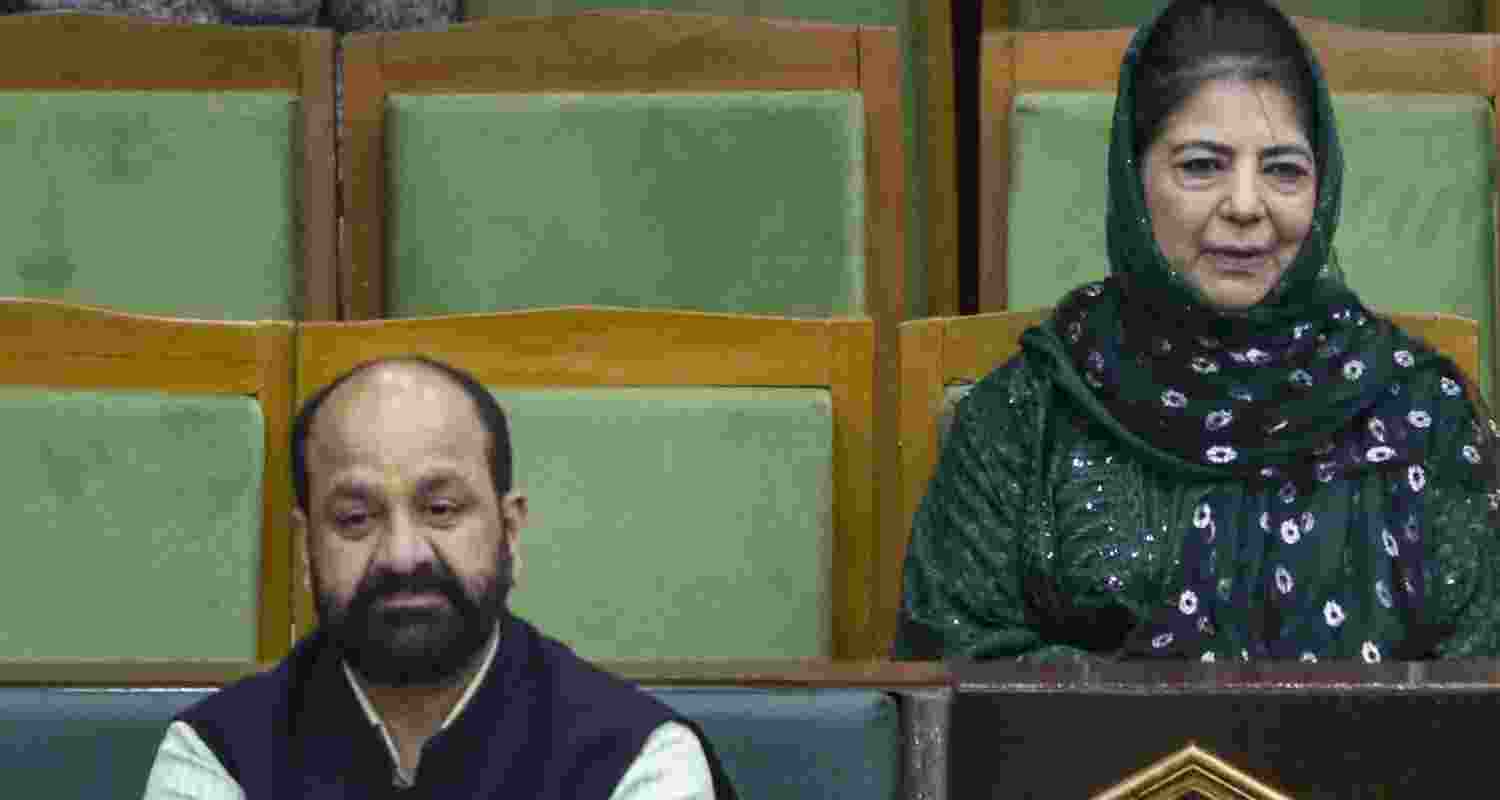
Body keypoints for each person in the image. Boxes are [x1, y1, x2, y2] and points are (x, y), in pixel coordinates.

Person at [895, 0, 1500, 663]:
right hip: (1074, 742)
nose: (1245, 205)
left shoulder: (1420, 414)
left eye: (1283, 170)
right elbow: (955, 672)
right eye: (1201, 166)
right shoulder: (1028, 417)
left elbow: (1480, 683)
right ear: (1135, 177)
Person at [143, 356, 736, 799]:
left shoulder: (637, 761)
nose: (403, 555)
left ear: (510, 530)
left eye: (441, 509)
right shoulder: (219, 760)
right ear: (306, 548)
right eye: (355, 518)